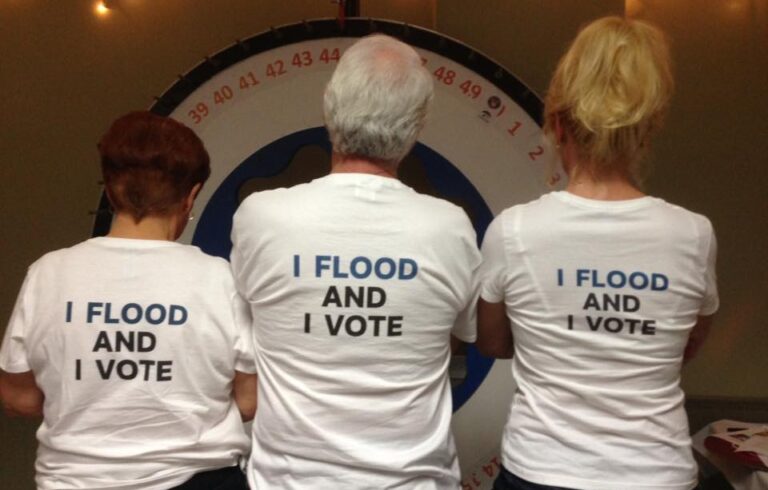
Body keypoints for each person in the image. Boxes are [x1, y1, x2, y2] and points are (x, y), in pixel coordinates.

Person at [477, 17, 718, 490]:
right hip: (656, 473)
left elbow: (492, 343)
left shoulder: (514, 231)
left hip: (540, 471)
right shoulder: (693, 235)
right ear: (649, 127)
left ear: (558, 123)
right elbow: (683, 346)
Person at [231, 34, 481, 489]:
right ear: (418, 125)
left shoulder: (260, 218)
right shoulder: (451, 228)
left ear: (329, 109)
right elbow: (459, 337)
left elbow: (250, 322)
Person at [0, 111, 257, 490]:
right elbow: (249, 399)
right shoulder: (221, 279)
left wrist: (89, 400)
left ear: (109, 190)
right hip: (200, 480)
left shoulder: (47, 274)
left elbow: (17, 397)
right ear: (191, 196)